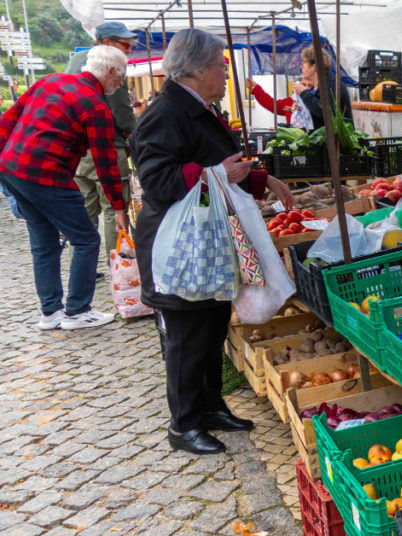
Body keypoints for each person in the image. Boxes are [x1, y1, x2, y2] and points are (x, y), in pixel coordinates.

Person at [132, 29, 295, 455]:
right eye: (221, 65)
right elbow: (156, 180)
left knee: (211, 326)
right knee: (186, 337)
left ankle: (210, 406)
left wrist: (262, 179)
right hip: (180, 249)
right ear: (199, 69)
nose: (225, 73)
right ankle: (183, 425)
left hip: (209, 243)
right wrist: (215, 173)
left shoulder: (198, 108)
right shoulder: (165, 112)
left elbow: (219, 167)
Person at [0, 46, 129, 331]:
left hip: (12, 168)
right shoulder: (97, 106)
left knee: (43, 242)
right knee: (85, 239)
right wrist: (118, 206)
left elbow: (7, 121)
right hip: (47, 174)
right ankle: (77, 311)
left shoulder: (49, 81)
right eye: (121, 77)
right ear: (109, 72)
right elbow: (106, 162)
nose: (120, 84)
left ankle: (50, 313)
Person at [67, 22, 137, 259]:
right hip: (106, 144)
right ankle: (114, 264)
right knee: (113, 209)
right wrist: (133, 133)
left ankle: (82, 260)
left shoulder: (77, 59)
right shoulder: (110, 65)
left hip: (77, 148)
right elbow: (123, 115)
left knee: (84, 208)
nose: (128, 50)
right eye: (125, 45)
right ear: (108, 43)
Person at [293, 46, 353, 130]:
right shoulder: (314, 89)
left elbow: (324, 111)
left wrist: (304, 92)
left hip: (337, 141)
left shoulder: (332, 84)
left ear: (314, 66)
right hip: (321, 140)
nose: (301, 66)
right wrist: (302, 107)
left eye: (304, 63)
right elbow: (315, 112)